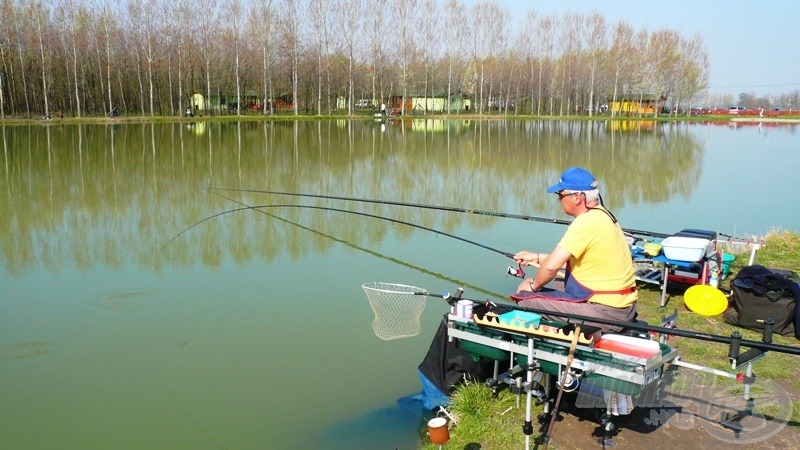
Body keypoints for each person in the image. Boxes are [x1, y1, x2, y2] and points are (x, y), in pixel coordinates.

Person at [511, 167, 637, 332]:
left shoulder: (585, 222)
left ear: (577, 197)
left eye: (560, 195)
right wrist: (534, 257)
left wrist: (532, 286)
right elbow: (574, 262)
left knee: (525, 299)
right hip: (623, 305)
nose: (558, 200)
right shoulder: (604, 215)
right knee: (558, 282)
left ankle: (549, 342)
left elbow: (551, 267)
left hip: (608, 312)